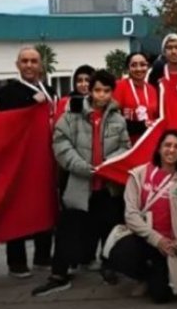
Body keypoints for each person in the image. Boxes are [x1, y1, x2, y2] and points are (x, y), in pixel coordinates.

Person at [31, 70, 131, 297]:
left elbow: (125, 147)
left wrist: (109, 164)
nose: (101, 95)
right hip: (79, 184)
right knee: (68, 230)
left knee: (111, 228)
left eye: (106, 91)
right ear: (90, 90)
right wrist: (82, 167)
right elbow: (61, 144)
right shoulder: (72, 115)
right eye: (97, 90)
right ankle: (59, 275)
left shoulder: (117, 118)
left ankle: (110, 267)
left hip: (107, 185)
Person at [106, 130, 177, 303]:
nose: (171, 150)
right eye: (167, 145)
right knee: (119, 253)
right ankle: (142, 276)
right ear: (159, 148)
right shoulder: (138, 175)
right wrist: (156, 239)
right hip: (146, 239)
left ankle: (155, 277)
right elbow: (131, 214)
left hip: (173, 244)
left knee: (162, 296)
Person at [0, 47, 58, 278]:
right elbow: (6, 123)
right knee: (17, 209)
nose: (29, 65)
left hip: (46, 157)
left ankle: (43, 256)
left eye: (34, 61)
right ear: (17, 65)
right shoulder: (8, 93)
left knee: (45, 206)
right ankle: (16, 262)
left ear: (40, 64)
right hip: (20, 160)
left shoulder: (50, 90)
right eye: (25, 61)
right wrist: (30, 103)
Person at [114, 53, 159, 144]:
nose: (139, 69)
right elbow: (114, 119)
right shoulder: (119, 86)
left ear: (148, 67)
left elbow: (156, 117)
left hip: (149, 142)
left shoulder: (152, 90)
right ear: (128, 68)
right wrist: (139, 126)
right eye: (134, 65)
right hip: (126, 144)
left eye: (143, 65)